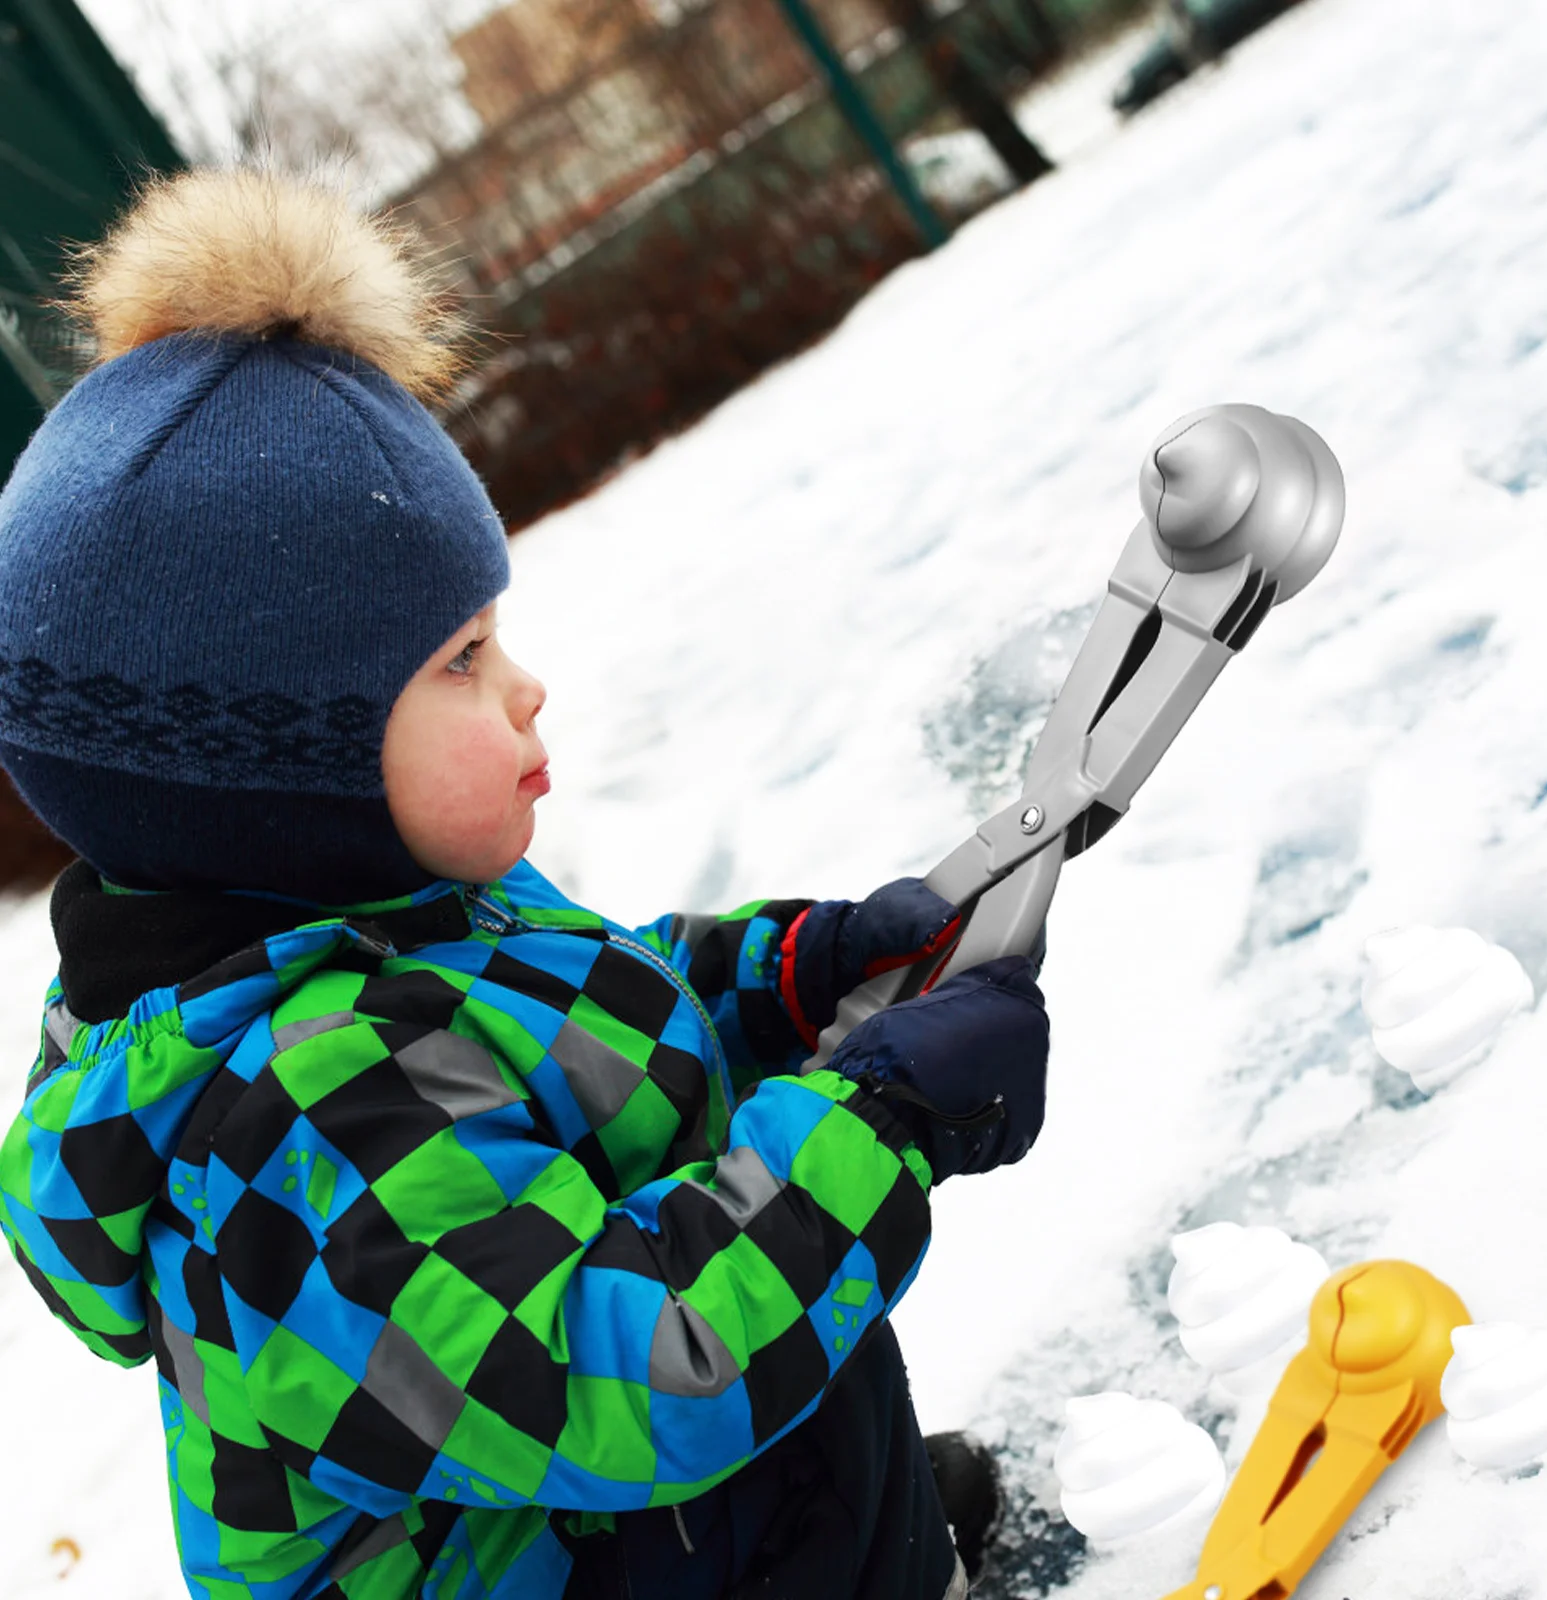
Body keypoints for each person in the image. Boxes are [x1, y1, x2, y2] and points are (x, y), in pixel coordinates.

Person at [0, 170, 1049, 1600]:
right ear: (275, 779)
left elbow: (563, 1032)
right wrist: (884, 1126)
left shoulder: (363, 915)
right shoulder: (298, 1118)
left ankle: (840, 1515)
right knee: (741, 1342)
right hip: (558, 1552)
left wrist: (783, 979)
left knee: (799, 1360)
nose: (525, 686)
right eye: (459, 662)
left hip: (603, 1523)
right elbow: (625, 1378)